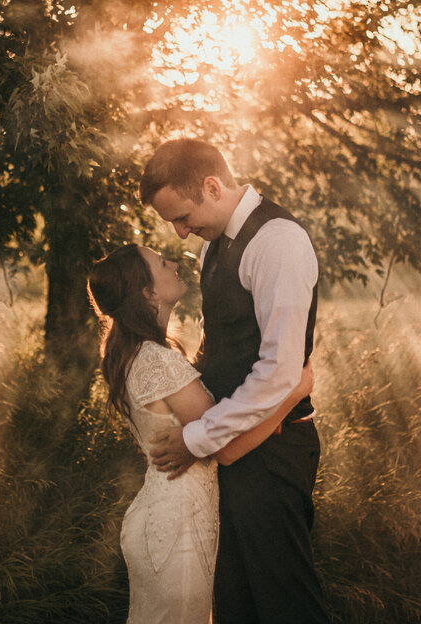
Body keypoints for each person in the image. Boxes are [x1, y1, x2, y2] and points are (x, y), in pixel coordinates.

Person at [141, 138, 330, 624]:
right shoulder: (216, 244)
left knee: (285, 600)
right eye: (173, 224)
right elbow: (222, 338)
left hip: (272, 449)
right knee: (236, 600)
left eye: (183, 217)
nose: (182, 234)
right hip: (230, 444)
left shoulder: (277, 241)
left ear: (211, 185)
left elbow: (279, 370)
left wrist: (196, 438)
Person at [88, 245, 313, 624]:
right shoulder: (157, 359)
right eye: (162, 263)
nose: (174, 263)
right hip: (177, 529)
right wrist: (293, 394)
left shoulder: (139, 353)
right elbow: (224, 446)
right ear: (148, 293)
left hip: (166, 516)